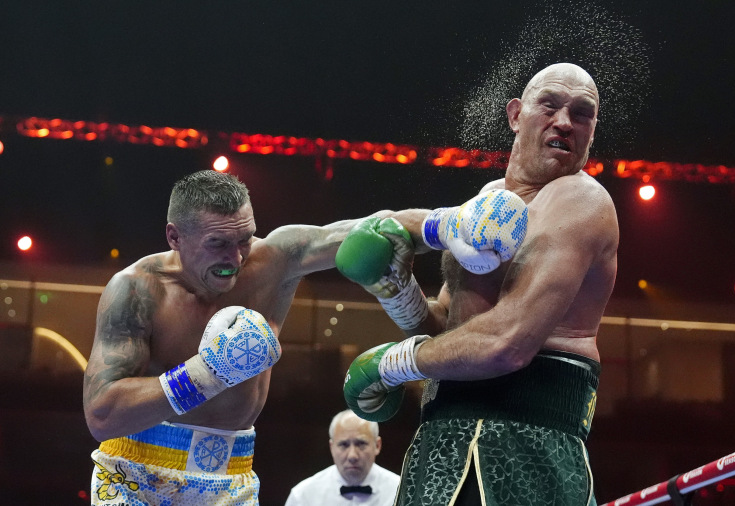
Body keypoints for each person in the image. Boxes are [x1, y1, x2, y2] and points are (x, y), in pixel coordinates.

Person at [342, 63, 618, 505]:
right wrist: (397, 290)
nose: (564, 122)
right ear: (515, 115)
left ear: (591, 131)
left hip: (531, 443)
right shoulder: (486, 202)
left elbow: (507, 343)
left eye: (581, 113)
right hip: (440, 442)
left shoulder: (580, 200)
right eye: (550, 104)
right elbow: (448, 332)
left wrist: (389, 364)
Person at [82, 170, 428, 505]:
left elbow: (381, 228)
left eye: (244, 238)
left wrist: (454, 224)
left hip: (232, 475)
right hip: (136, 476)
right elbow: (102, 416)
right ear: (175, 237)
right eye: (217, 243)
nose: (234, 258)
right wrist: (208, 372)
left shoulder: (275, 260)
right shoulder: (137, 290)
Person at [284, 410, 401, 505]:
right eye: (343, 445)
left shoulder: (402, 492)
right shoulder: (303, 496)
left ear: (377, 445)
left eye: (361, 444)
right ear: (331, 447)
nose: (352, 456)